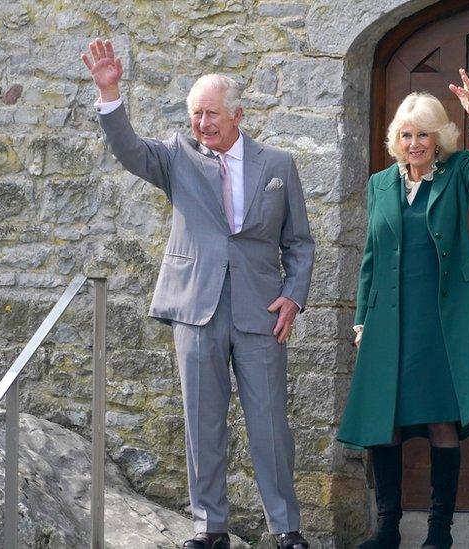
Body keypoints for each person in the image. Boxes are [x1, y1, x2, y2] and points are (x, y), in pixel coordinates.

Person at [80, 39, 314, 549]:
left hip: (261, 311)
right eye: (195, 115)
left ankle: (286, 529)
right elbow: (128, 150)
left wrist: (294, 297)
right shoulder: (176, 157)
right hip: (196, 308)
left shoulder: (278, 165)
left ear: (237, 116)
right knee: (202, 424)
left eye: (210, 114)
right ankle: (211, 529)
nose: (202, 124)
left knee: (271, 426)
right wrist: (110, 92)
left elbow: (298, 242)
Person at [337, 69, 469, 549]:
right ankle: (387, 528)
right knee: (383, 421)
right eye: (407, 135)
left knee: (440, 421)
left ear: (438, 139)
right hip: (389, 318)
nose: (415, 144)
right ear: (397, 140)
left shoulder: (457, 177)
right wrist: (362, 319)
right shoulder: (379, 185)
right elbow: (371, 254)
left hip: (440, 319)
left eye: (424, 134)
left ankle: (439, 533)